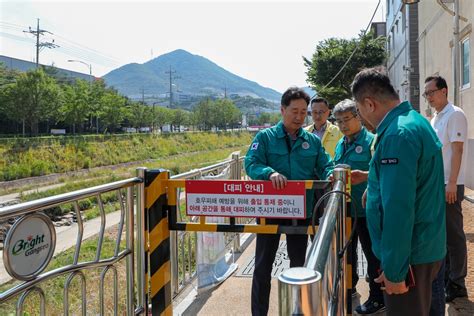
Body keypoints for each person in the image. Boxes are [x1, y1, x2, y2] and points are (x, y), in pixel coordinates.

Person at [351, 66, 446, 316]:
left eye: (359, 111)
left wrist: (394, 271)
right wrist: (373, 190)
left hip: (409, 257)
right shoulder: (413, 121)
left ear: (370, 104)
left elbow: (398, 210)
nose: (362, 118)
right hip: (425, 247)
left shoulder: (396, 135)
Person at [245, 86, 334, 316]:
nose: (299, 116)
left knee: (298, 265)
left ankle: (297, 311)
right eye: (294, 111)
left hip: (300, 211)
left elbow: (324, 164)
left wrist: (332, 173)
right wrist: (269, 173)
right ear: (282, 109)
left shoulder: (312, 142)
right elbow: (251, 163)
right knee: (263, 267)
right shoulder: (265, 138)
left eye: (303, 112)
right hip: (270, 210)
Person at [332, 99, 384, 314]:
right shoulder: (341, 143)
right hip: (344, 209)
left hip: (366, 210)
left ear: (358, 117)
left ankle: (378, 297)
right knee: (347, 252)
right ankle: (349, 286)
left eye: (347, 119)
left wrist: (366, 178)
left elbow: (383, 173)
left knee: (372, 254)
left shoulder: (373, 141)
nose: (343, 125)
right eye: (339, 121)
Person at [424, 75, 468, 303]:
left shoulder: (455, 114)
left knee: (454, 235)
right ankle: (447, 279)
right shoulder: (435, 118)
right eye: (426, 94)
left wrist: (452, 182)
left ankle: (457, 283)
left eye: (431, 92)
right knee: (442, 235)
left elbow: (458, 151)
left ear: (444, 91)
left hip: (450, 184)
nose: (428, 97)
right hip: (436, 184)